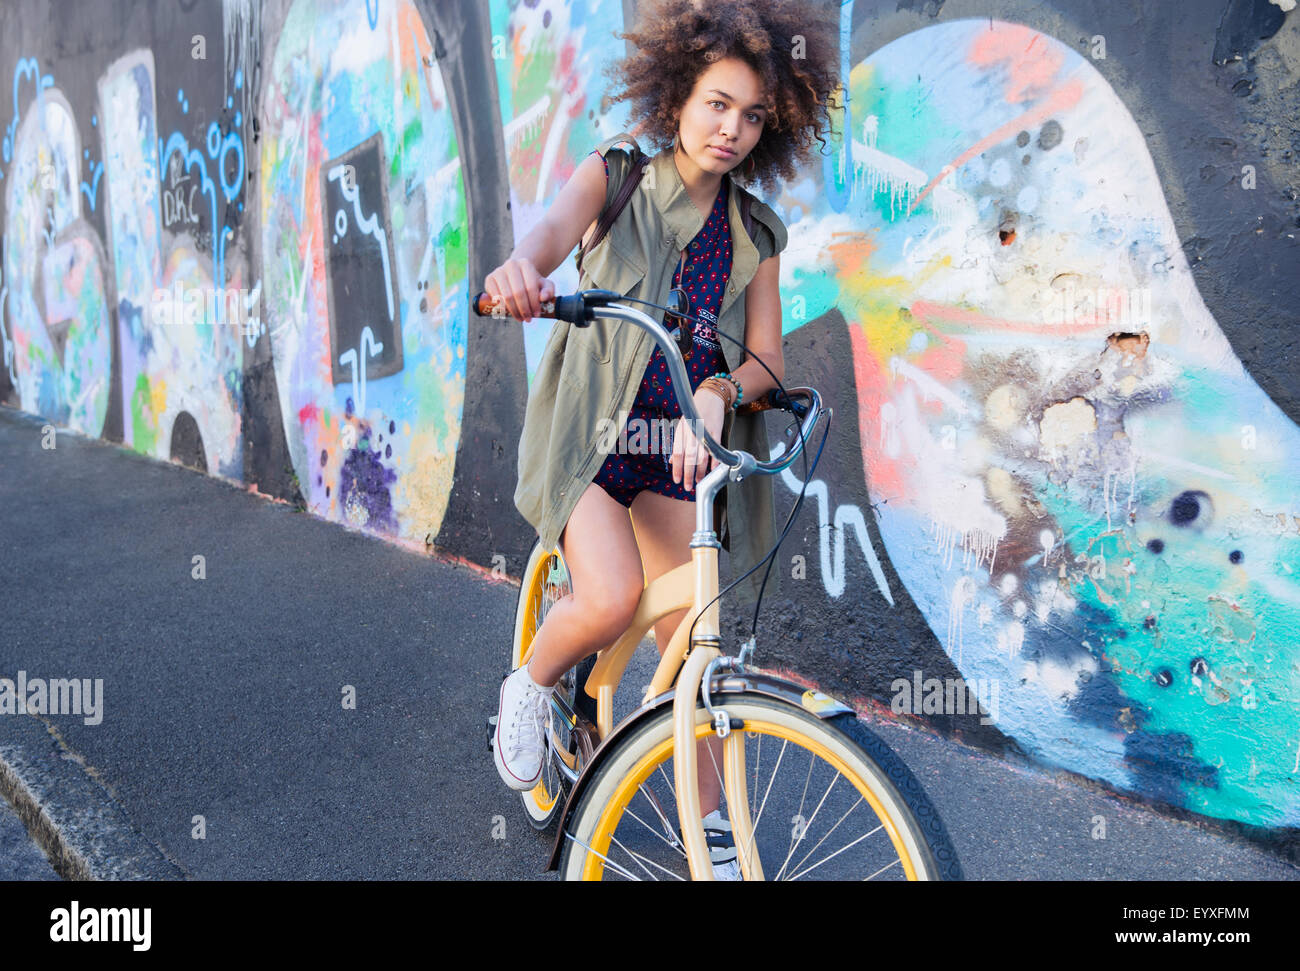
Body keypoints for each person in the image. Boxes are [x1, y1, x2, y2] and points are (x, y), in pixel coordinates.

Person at [484, 0, 839, 877]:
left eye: (754, 115)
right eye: (718, 103)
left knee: (695, 639)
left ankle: (711, 827)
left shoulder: (754, 232)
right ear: (679, 94)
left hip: (676, 455)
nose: (733, 129)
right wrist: (523, 268)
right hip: (593, 447)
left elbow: (765, 360)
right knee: (607, 598)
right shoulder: (620, 179)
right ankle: (527, 688)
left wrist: (718, 391)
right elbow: (550, 234)